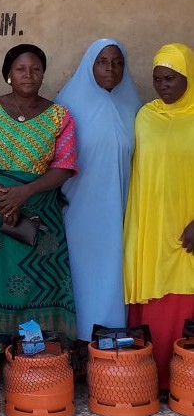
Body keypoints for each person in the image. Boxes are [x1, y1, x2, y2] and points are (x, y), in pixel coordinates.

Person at [0, 44, 78, 362]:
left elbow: (65, 166)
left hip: (40, 210)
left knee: (37, 283)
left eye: (35, 69)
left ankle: (31, 353)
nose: (28, 74)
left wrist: (23, 194)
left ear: (43, 74)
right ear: (8, 75)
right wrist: (2, 193)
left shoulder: (59, 116)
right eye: (20, 69)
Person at [56, 39, 141, 341]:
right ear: (89, 65)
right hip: (79, 210)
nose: (110, 68)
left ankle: (112, 344)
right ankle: (79, 343)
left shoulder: (133, 106)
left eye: (117, 62)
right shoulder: (68, 105)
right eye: (102, 61)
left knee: (114, 275)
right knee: (82, 275)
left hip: (120, 208)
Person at [124, 43, 194, 393]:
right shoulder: (145, 116)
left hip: (187, 225)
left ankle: (182, 378)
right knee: (151, 300)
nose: (163, 85)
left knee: (183, 297)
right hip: (149, 221)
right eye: (157, 79)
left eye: (172, 78)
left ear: (189, 78)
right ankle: (151, 380)